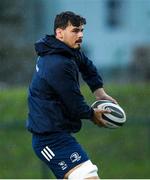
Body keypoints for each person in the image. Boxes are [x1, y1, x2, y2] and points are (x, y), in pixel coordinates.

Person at [27, 11, 117, 179]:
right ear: (60, 33)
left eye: (82, 30)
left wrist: (99, 92)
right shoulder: (56, 63)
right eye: (75, 30)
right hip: (49, 140)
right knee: (88, 176)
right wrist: (92, 115)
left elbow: (86, 64)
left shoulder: (64, 50)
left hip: (58, 134)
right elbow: (74, 101)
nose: (80, 35)